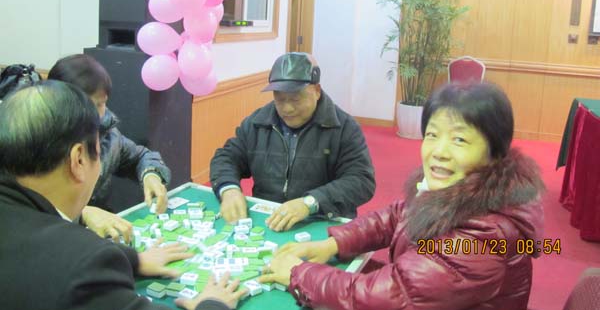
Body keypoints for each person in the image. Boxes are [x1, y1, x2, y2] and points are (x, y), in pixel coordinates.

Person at [260, 82, 546, 310]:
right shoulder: (454, 187)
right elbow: (397, 215)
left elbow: (389, 295)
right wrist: (334, 244)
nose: (439, 151)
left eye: (459, 139)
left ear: (495, 153)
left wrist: (299, 274)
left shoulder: (485, 235)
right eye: (432, 135)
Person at [0, 81, 247, 310]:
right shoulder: (83, 263)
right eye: (99, 151)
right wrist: (212, 304)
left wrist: (133, 260)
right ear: (78, 160)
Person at [210, 52, 376, 231]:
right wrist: (229, 189)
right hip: (269, 221)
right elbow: (226, 157)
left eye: (296, 99)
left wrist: (311, 202)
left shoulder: (344, 128)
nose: (287, 108)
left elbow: (361, 181)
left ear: (317, 91)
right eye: (280, 99)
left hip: (322, 221)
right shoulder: (257, 123)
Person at [48, 54, 171, 242]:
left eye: (101, 103)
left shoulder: (107, 133)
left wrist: (151, 175)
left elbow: (140, 156)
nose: (98, 113)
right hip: (54, 240)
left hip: (98, 237)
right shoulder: (38, 142)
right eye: (90, 105)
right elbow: (23, 205)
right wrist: (82, 213)